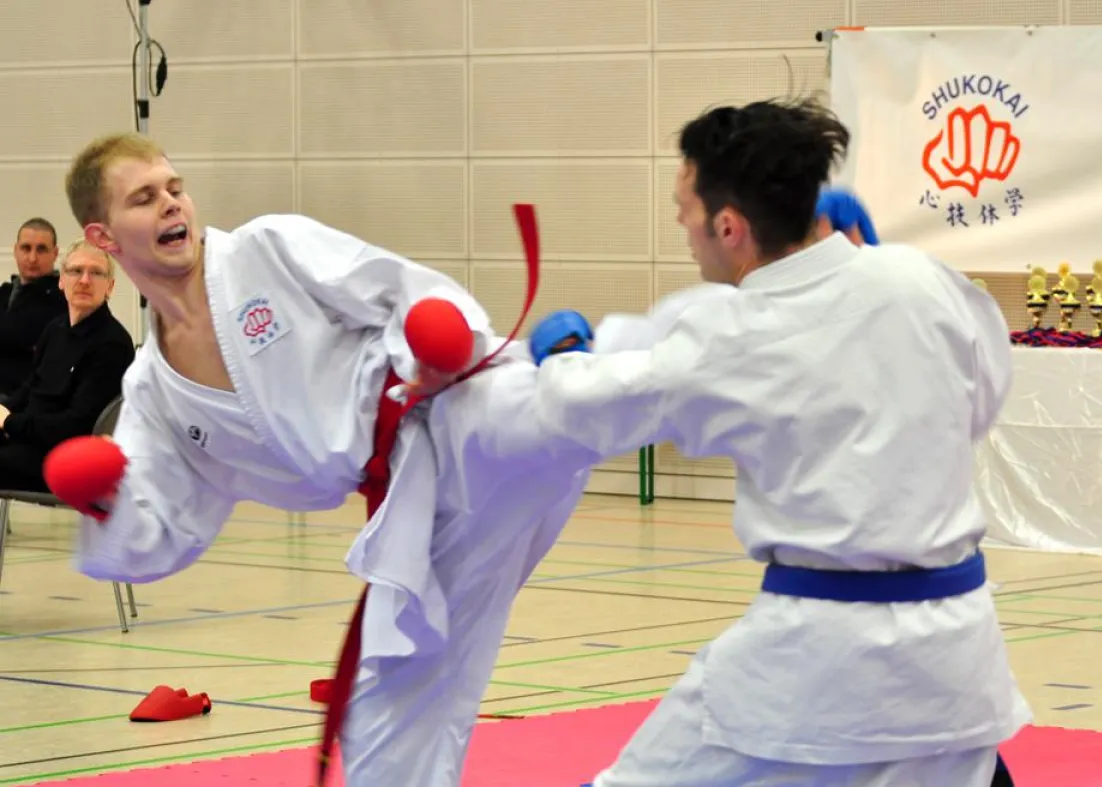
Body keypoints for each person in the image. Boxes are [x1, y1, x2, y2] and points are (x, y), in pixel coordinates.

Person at [57, 131, 705, 786]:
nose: (172, 204)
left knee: (562, 405)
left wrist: (439, 342)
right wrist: (104, 498)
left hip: (446, 414)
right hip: (412, 515)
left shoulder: (263, 250)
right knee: (387, 721)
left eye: (175, 187)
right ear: (103, 236)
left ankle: (725, 345)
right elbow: (158, 530)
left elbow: (400, 288)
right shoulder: (154, 392)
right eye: (145, 198)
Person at [485, 97, 1030, 785]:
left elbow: (587, 407)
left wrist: (562, 357)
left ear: (729, 225)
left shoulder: (733, 334)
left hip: (818, 657)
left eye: (684, 207)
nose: (681, 224)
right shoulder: (923, 280)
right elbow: (979, 401)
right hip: (957, 656)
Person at [0, 239, 134, 491]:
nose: (84, 280)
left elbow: (76, 425)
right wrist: (3, 410)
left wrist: (10, 423)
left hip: (62, 456)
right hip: (27, 440)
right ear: (62, 280)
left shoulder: (112, 344)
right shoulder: (55, 329)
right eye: (76, 271)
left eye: (96, 273)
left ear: (110, 286)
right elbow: (30, 389)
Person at [0, 218, 68, 394]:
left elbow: (17, 333)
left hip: (25, 398)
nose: (32, 258)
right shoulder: (6, 292)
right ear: (15, 250)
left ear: (55, 253)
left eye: (41, 249)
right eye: (26, 248)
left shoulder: (62, 298)